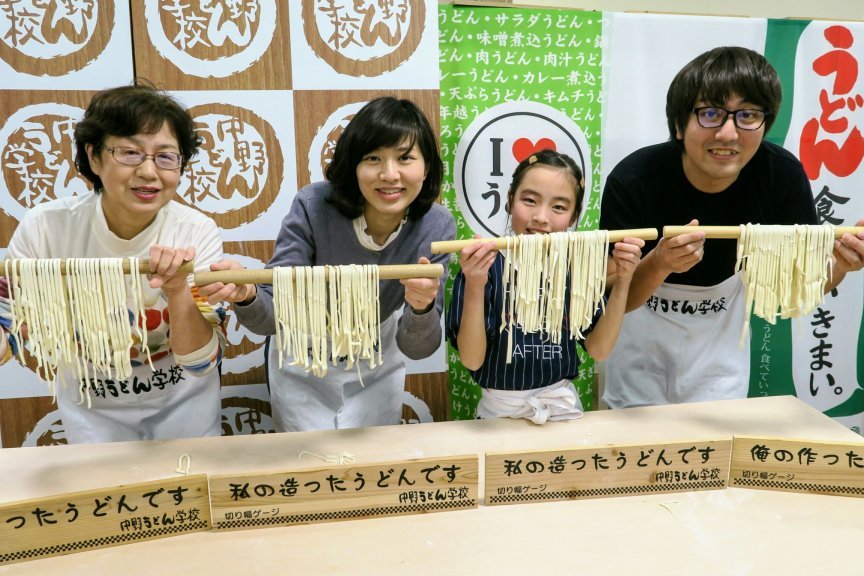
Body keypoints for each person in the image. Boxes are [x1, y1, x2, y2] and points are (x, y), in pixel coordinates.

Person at [599, 46, 864, 409]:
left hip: (719, 371)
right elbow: (614, 300)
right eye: (710, 113)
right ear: (678, 124)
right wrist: (659, 262)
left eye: (748, 115)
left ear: (765, 123)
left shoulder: (780, 177)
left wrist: (840, 265)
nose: (728, 133)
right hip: (636, 363)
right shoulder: (635, 179)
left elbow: (794, 293)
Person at [199, 96, 456, 432]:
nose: (389, 174)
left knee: (375, 463)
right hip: (304, 359)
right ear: (352, 165)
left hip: (375, 359)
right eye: (373, 158)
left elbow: (418, 348)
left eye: (405, 158)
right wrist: (247, 294)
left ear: (426, 167)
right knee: (309, 465)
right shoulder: (313, 206)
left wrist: (422, 308)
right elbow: (271, 315)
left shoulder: (436, 226)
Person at [0, 83, 227, 443]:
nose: (149, 172)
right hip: (92, 409)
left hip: (184, 410)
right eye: (130, 153)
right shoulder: (46, 228)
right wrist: (17, 328)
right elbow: (6, 328)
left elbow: (199, 362)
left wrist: (177, 288)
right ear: (93, 157)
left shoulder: (196, 232)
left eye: (166, 156)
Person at [445, 150, 644, 423]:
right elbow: (471, 360)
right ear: (509, 200)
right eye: (529, 200)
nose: (541, 217)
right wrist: (476, 285)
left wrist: (623, 279)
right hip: (499, 415)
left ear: (574, 218)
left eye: (559, 207)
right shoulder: (484, 266)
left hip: (561, 408)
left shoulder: (577, 269)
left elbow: (599, 350)